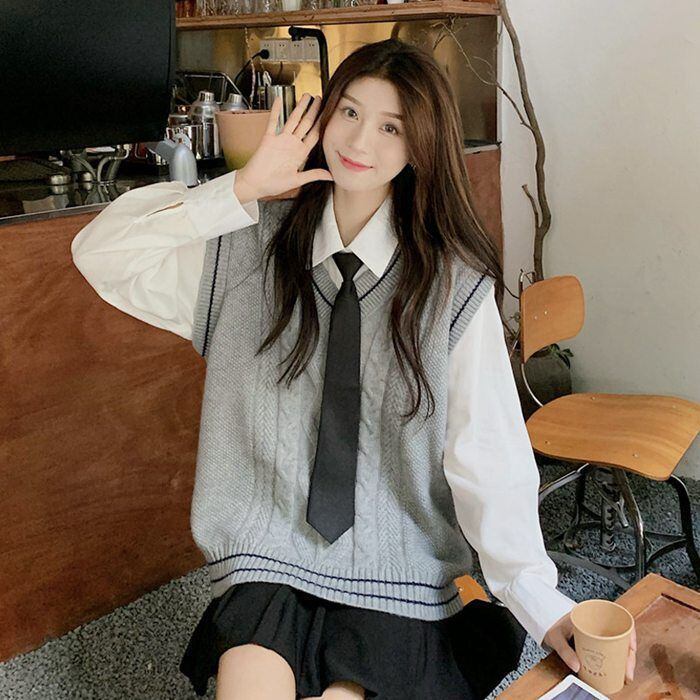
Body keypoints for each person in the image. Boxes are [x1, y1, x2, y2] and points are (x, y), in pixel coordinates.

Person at [71, 39, 635, 700]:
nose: (360, 140)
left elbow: (487, 457)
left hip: (395, 565)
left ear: (419, 146)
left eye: (391, 126)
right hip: (269, 554)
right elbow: (99, 253)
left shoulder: (450, 290)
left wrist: (539, 599)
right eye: (349, 112)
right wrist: (240, 187)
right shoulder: (244, 249)